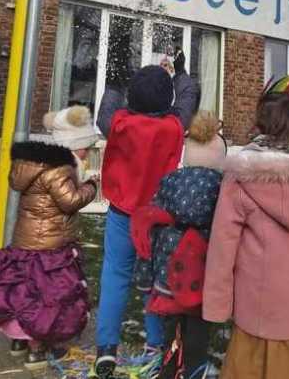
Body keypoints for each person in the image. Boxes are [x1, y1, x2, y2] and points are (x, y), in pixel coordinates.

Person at [203, 81, 289, 379]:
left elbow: (223, 244)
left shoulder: (242, 174)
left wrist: (217, 303)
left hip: (256, 302)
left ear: (261, 123)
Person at [0, 106, 98, 371]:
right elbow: (70, 201)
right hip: (50, 245)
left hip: (26, 241)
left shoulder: (32, 165)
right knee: (47, 298)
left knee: (24, 292)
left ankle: (18, 342)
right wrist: (91, 186)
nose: (86, 152)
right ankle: (37, 349)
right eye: (84, 147)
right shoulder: (60, 169)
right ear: (74, 145)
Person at [95, 65, 186, 379]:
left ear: (132, 96)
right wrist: (181, 74)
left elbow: (105, 112)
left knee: (114, 275)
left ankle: (106, 348)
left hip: (122, 212)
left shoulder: (119, 123)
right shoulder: (174, 126)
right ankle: (155, 345)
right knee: (154, 281)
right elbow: (187, 99)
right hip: (156, 217)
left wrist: (113, 83)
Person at [131, 111, 227, 379]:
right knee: (198, 331)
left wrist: (144, 277)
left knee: (171, 329)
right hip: (203, 276)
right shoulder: (222, 188)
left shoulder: (169, 183)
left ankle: (170, 369)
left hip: (168, 276)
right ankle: (194, 371)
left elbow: (149, 231)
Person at [96, 48, 200, 137]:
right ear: (168, 97)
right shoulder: (172, 129)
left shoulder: (121, 129)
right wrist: (180, 72)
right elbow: (186, 98)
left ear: (132, 96)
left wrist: (115, 85)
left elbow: (104, 118)